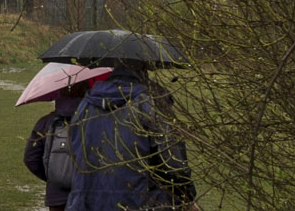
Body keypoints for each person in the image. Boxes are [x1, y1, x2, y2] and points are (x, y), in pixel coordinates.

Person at [65, 65, 199, 211]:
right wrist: (186, 196)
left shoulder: (84, 106)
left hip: (87, 203)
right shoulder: (150, 104)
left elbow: (74, 153)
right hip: (141, 202)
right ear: (145, 66)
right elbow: (172, 161)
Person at [23, 81, 90, 211]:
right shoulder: (95, 120)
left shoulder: (45, 122)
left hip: (56, 196)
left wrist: (52, 176)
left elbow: (30, 158)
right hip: (87, 194)